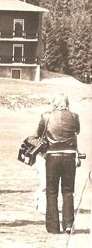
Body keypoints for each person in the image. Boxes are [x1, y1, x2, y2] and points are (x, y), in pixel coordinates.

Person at [38, 94, 81, 234]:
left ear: (54, 104)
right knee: (68, 191)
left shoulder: (45, 116)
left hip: (52, 156)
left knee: (51, 192)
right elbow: (77, 132)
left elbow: (40, 134)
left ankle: (53, 226)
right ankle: (68, 224)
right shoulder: (74, 116)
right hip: (69, 156)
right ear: (67, 103)